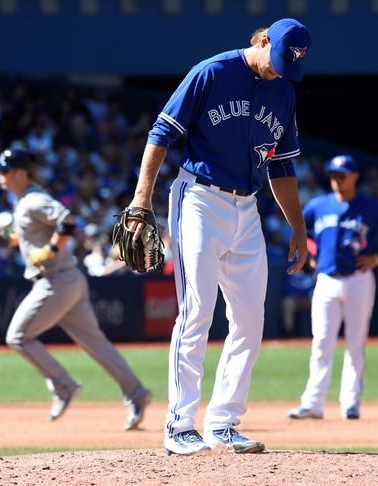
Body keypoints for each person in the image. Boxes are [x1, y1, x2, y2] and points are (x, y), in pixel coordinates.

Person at [128, 18, 311, 455]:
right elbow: (162, 133)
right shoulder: (212, 72)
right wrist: (141, 200)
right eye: (280, 58)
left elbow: (281, 166)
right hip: (199, 201)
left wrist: (298, 226)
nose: (281, 70)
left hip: (247, 208)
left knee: (250, 320)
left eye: (292, 65)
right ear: (264, 40)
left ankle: (224, 422)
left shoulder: (284, 90)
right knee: (196, 314)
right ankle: (178, 425)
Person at [0, 147, 151, 429]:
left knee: (18, 337)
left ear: (20, 173)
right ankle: (136, 393)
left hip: (55, 282)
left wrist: (52, 248)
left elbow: (67, 221)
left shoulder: (33, 200)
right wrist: (14, 240)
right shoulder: (24, 201)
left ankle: (63, 384)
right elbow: (35, 230)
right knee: (96, 343)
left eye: (4, 171)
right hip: (70, 281)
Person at [287, 155, 378, 420]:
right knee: (321, 342)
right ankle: (313, 403)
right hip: (326, 280)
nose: (336, 180)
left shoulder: (370, 207)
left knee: (355, 342)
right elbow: (300, 230)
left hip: (358, 278)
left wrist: (377, 257)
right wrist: (309, 254)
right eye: (333, 175)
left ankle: (350, 403)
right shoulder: (318, 206)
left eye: (342, 175)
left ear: (355, 176)